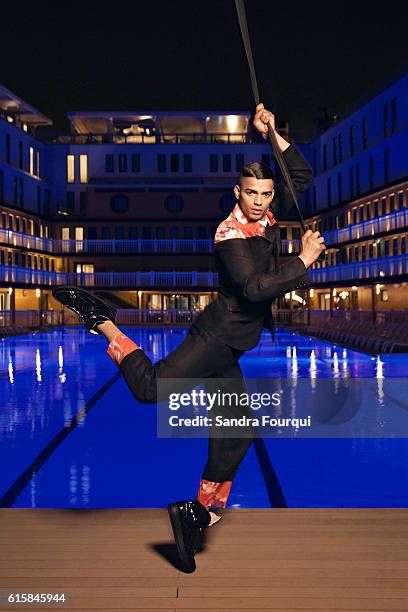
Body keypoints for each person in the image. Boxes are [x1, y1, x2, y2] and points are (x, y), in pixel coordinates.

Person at [52, 103, 326, 573]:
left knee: (236, 433)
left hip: (233, 346)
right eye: (252, 194)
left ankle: (196, 516)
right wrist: (302, 261)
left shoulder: (266, 213)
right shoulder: (229, 237)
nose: (261, 201)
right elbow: (254, 288)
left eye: (265, 194)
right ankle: (103, 320)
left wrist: (270, 132)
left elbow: (299, 173)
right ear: (235, 193)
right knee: (150, 389)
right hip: (217, 337)